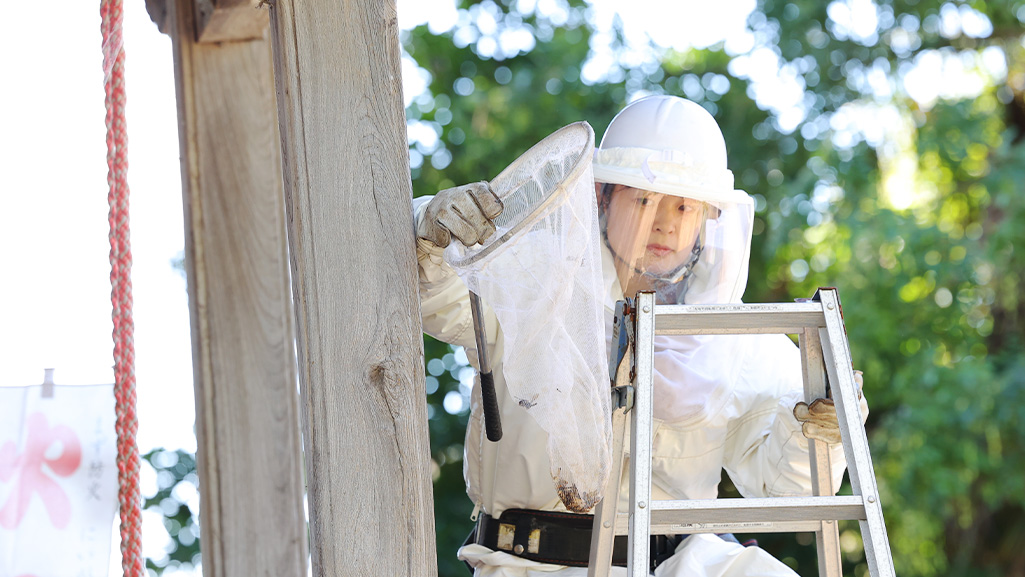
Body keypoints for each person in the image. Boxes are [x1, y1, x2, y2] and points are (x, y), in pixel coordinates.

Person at [413, 95, 869, 576]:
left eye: (684, 206)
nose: (665, 223)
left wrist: (824, 429)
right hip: (535, 566)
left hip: (683, 564)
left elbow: (789, 492)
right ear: (602, 198)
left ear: (707, 221)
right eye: (644, 199)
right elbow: (434, 301)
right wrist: (432, 233)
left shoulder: (735, 338)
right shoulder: (533, 278)